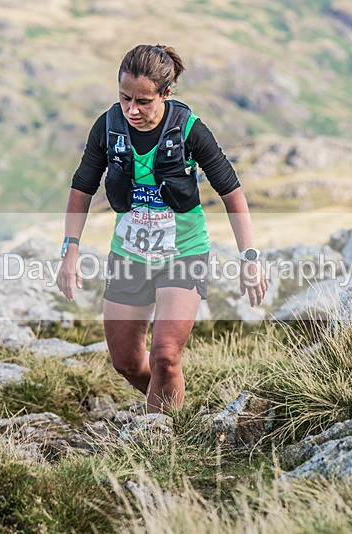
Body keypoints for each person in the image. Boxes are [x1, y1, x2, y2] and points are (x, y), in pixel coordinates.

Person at [56, 44, 268, 413]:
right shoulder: (108, 127)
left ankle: (159, 442)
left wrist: (249, 257)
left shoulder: (189, 130)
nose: (132, 109)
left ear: (166, 94)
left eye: (143, 101)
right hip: (129, 256)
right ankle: (175, 410)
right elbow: (82, 186)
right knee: (125, 362)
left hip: (184, 254)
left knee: (165, 357)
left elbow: (231, 191)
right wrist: (70, 249)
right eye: (125, 98)